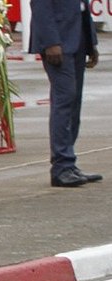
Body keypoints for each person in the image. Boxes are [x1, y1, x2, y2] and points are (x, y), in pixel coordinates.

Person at [29, 0, 101, 188]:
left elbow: (82, 6)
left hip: (77, 37)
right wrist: (51, 41)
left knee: (74, 100)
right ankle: (61, 166)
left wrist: (91, 41)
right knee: (65, 98)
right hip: (58, 39)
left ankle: (69, 162)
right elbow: (40, 6)